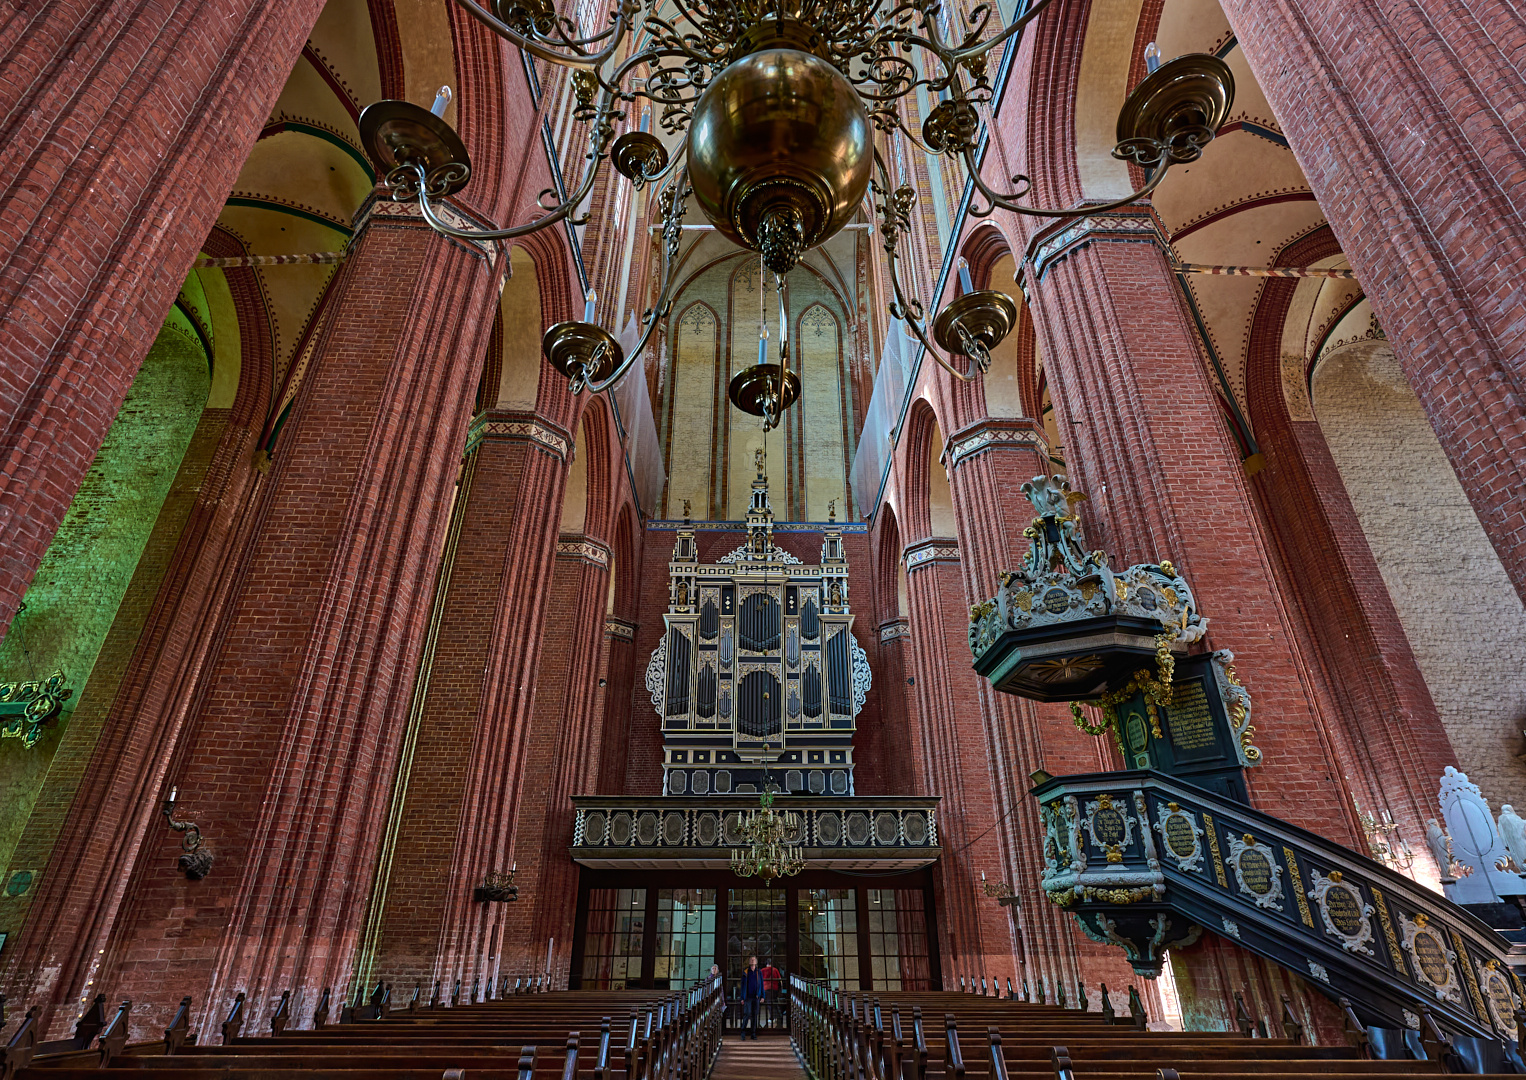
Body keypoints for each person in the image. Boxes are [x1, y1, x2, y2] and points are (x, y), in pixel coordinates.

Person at [740, 955, 764, 1040]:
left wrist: (762, 996)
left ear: (756, 962)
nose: (753, 961)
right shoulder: (746, 972)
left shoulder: (759, 972)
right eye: (751, 960)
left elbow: (761, 984)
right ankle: (743, 1033)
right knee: (747, 1014)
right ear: (749, 962)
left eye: (754, 959)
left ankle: (753, 1033)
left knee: (754, 1015)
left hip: (756, 997)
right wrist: (742, 998)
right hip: (747, 997)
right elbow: (742, 986)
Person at [760, 958, 783, 1026]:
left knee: (769, 1003)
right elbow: (780, 980)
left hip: (766, 988)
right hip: (774, 988)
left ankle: (774, 1017)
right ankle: (776, 1017)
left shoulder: (762, 970)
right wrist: (780, 990)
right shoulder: (775, 970)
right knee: (774, 1002)